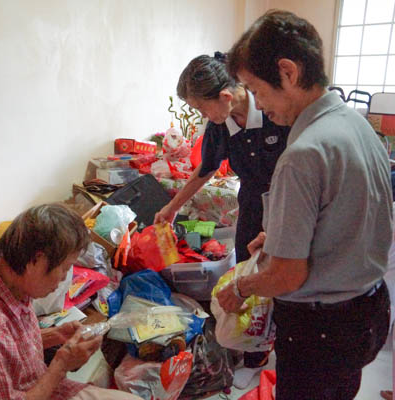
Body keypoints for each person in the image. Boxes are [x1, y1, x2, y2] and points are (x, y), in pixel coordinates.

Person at [216, 10, 392, 400]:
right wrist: (279, 234)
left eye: (257, 89)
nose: (259, 102)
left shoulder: (303, 152)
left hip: (322, 329)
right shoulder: (356, 123)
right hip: (367, 308)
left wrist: (241, 288)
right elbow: (349, 217)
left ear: (288, 72)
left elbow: (288, 276)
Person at [154, 52, 289, 389]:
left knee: (284, 277)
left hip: (290, 203)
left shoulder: (275, 110)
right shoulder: (221, 125)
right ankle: (255, 352)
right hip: (252, 204)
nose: (203, 117)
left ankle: (285, 348)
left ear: (226, 96)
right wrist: (173, 207)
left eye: (202, 109)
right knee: (248, 274)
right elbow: (206, 169)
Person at [0, 203, 140, 400]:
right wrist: (61, 364)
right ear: (36, 260)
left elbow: (9, 345)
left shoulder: (2, 275)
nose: (65, 278)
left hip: (29, 385)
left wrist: (56, 335)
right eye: (65, 269)